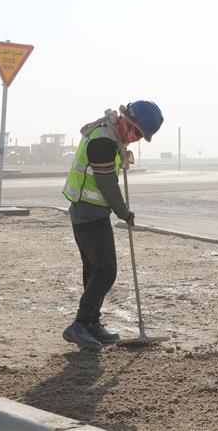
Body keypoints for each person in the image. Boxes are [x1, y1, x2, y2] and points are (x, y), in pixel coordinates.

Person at [61, 100, 164, 350]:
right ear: (129, 121)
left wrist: (122, 154)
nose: (137, 139)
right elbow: (106, 183)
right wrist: (124, 212)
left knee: (94, 270)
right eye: (138, 133)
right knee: (106, 270)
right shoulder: (104, 140)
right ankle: (79, 324)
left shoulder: (110, 135)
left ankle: (92, 324)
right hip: (89, 212)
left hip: (87, 210)